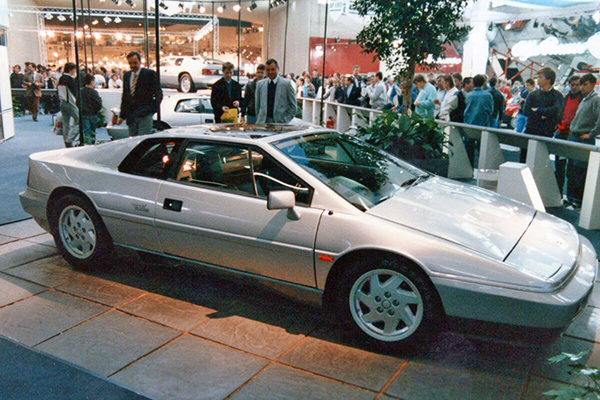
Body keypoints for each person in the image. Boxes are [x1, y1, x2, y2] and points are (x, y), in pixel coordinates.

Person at [566, 73, 600, 208]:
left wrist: (591, 134)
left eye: (585, 84)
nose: (582, 87)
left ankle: (578, 201)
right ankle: (572, 198)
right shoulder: (585, 99)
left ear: (593, 84)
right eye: (581, 84)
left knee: (580, 171)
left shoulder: (596, 100)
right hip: (575, 137)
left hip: (583, 139)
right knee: (572, 169)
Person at [117, 50, 162, 136]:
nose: (132, 65)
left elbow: (158, 94)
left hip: (144, 115)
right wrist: (122, 116)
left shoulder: (149, 74)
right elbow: (125, 97)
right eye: (130, 63)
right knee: (132, 143)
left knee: (142, 142)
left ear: (140, 62)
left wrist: (151, 110)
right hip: (131, 116)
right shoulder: (127, 76)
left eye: (135, 63)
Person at [555, 75, 583, 197]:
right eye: (572, 84)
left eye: (577, 85)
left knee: (572, 170)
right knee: (559, 166)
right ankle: (558, 192)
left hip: (573, 136)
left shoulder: (583, 100)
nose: (575, 87)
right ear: (569, 85)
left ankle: (571, 196)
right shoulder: (565, 98)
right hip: (562, 134)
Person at [523, 67, 563, 138]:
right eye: (538, 77)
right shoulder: (532, 94)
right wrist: (542, 116)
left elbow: (556, 110)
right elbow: (526, 111)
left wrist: (538, 110)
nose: (538, 79)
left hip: (547, 132)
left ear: (548, 79)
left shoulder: (557, 95)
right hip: (531, 130)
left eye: (541, 77)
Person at [255, 58, 296, 124]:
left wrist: (285, 120)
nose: (270, 72)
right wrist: (259, 118)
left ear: (278, 69)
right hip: (262, 123)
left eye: (273, 69)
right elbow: (257, 106)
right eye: (268, 70)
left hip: (280, 123)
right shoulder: (260, 84)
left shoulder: (286, 84)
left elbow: (293, 107)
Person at [57, 62, 79, 147]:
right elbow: (75, 93)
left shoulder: (61, 78)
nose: (75, 71)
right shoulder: (71, 80)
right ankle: (69, 139)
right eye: (74, 69)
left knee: (66, 123)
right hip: (71, 103)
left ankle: (66, 141)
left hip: (62, 102)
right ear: (70, 70)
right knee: (79, 121)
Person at [80, 74, 103, 145]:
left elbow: (77, 102)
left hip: (84, 114)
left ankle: (88, 144)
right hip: (93, 114)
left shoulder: (81, 91)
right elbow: (98, 103)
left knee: (86, 130)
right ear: (92, 81)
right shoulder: (94, 92)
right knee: (93, 130)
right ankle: (92, 144)